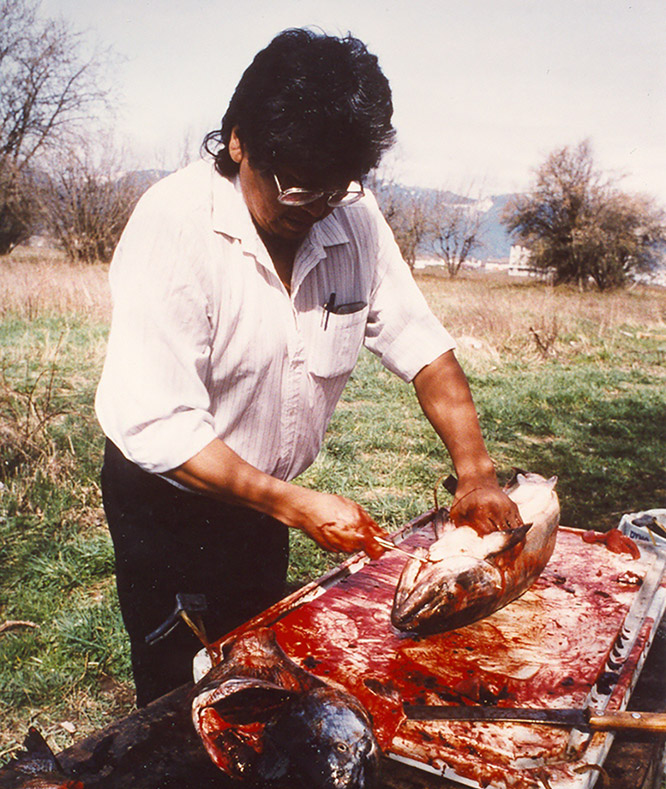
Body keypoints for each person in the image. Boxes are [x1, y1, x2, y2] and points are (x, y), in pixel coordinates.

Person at [96, 28, 521, 707]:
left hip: (264, 503)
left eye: (334, 187)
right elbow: (162, 427)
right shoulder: (173, 227)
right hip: (169, 508)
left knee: (259, 670)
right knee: (184, 699)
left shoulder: (350, 213)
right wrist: (296, 505)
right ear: (238, 142)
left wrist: (475, 474)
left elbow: (422, 348)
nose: (314, 206)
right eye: (294, 185)